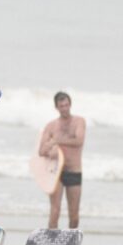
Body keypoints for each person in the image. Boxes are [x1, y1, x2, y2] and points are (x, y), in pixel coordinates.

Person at [40, 91, 86, 229]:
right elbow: (41, 151)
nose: (65, 108)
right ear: (56, 107)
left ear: (70, 105)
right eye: (61, 106)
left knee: (74, 215)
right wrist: (50, 148)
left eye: (67, 105)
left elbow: (78, 140)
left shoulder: (79, 121)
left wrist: (57, 141)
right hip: (56, 172)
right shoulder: (51, 126)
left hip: (73, 170)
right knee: (54, 211)